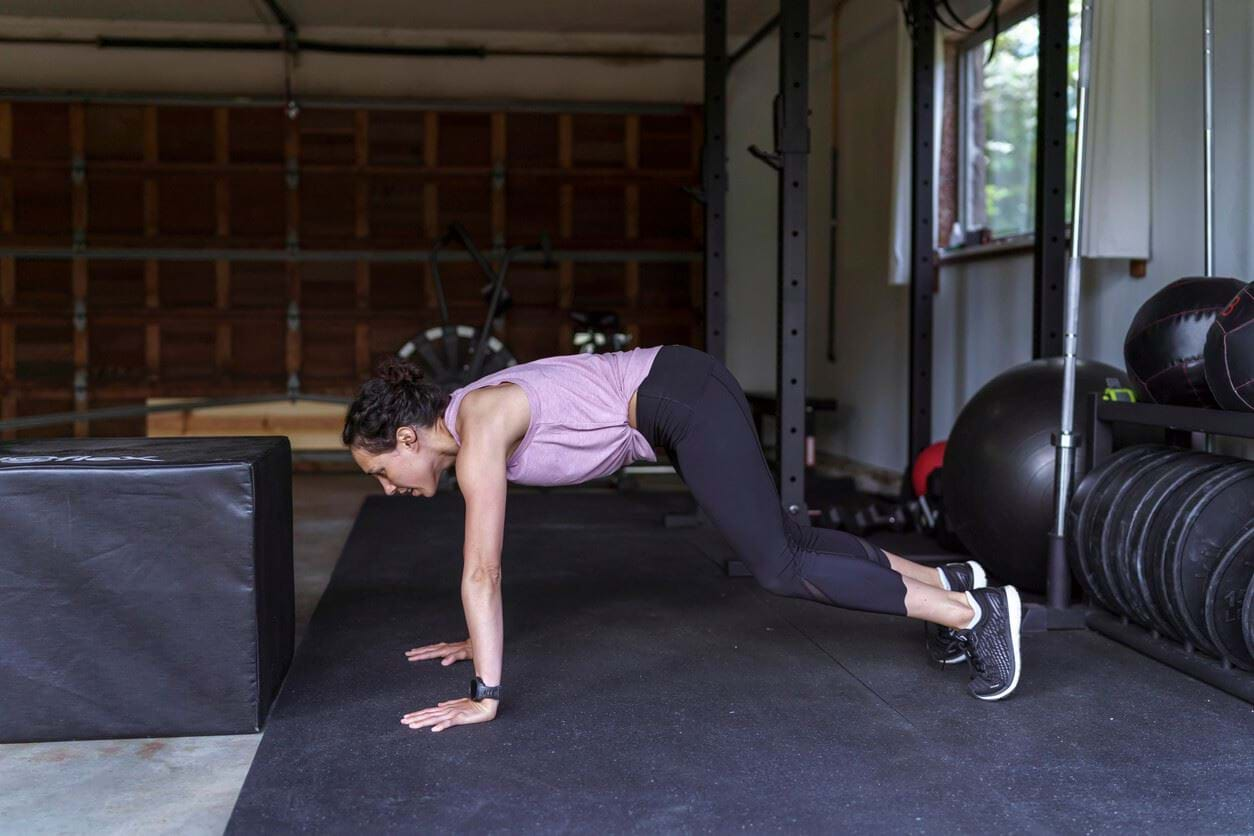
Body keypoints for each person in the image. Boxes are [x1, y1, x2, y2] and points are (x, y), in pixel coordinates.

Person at [342, 345, 1023, 733]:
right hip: (680, 391)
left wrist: (484, 692)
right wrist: (474, 635)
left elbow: (482, 572)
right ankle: (952, 583)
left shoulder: (479, 424)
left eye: (380, 471)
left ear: (406, 439)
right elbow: (483, 579)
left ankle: (976, 615)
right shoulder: (468, 417)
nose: (386, 486)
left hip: (678, 399)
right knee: (785, 538)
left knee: (779, 567)